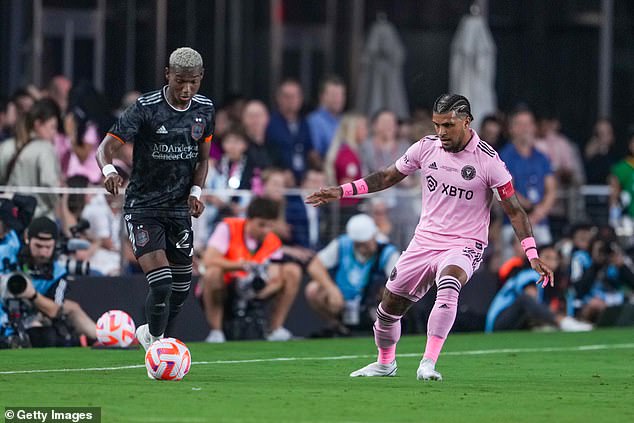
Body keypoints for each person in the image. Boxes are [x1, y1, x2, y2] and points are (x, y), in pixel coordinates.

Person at [306, 94, 554, 381]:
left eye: (448, 125)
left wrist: (532, 254)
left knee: (449, 284)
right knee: (388, 307)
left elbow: (515, 211)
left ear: (466, 121)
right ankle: (385, 363)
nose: (441, 132)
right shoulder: (426, 148)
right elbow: (387, 177)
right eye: (437, 125)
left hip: (465, 243)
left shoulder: (489, 161)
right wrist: (342, 190)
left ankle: (428, 362)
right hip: (424, 241)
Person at [96, 47, 214, 356]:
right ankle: (159, 349)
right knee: (161, 283)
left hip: (178, 208)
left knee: (181, 288)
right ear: (167, 75)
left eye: (192, 82)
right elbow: (104, 148)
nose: (186, 89)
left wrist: (196, 193)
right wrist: (109, 171)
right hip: (144, 207)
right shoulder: (146, 107)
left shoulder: (205, 109)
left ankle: (154, 335)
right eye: (179, 81)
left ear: (201, 78)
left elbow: (202, 160)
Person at [199, 197, 301, 342]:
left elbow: (275, 274)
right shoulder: (228, 227)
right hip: (228, 285)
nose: (266, 230)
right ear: (249, 219)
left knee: (292, 271)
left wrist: (268, 285)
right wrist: (241, 266)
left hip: (256, 290)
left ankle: (275, 329)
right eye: (261, 225)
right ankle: (216, 332)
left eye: (270, 226)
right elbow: (208, 260)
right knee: (212, 273)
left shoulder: (273, 240)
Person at [0, 217, 96, 348]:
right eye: (38, 246)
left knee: (48, 330)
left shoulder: (58, 272)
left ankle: (103, 337)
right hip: (3, 310)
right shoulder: (6, 253)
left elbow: (55, 310)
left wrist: (31, 294)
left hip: (28, 316)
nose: (43, 252)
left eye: (48, 247)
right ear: (27, 239)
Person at [305, 214, 400, 336]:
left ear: (374, 236)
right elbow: (314, 265)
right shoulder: (342, 244)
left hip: (373, 302)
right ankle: (339, 327)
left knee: (392, 292)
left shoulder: (388, 252)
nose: (363, 248)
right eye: (359, 244)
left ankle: (383, 327)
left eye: (366, 243)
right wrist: (331, 289)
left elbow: (399, 282)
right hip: (343, 299)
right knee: (313, 289)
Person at [485, 244, 591, 333]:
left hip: (519, 324)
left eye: (555, 259)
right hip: (498, 323)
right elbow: (530, 299)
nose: (551, 263)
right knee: (525, 299)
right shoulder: (529, 274)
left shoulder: (555, 284)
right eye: (547, 258)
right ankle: (563, 322)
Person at [0, 98, 62, 219]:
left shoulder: (6, 146)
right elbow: (49, 184)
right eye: (52, 127)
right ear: (38, 124)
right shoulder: (46, 149)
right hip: (39, 219)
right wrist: (58, 201)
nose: (54, 133)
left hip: (11, 217)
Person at [307, 75, 347, 157]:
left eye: (341, 95)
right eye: (334, 95)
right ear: (321, 97)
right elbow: (314, 154)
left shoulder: (345, 120)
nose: (338, 99)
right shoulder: (314, 121)